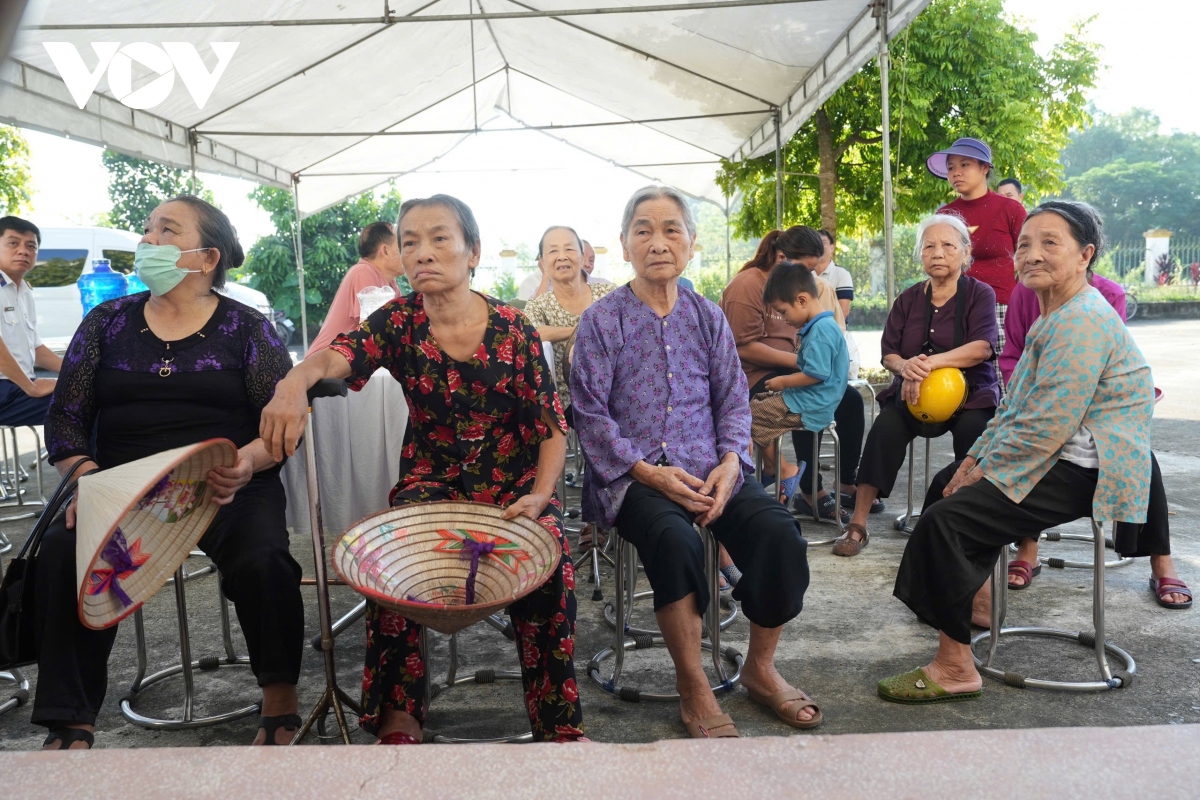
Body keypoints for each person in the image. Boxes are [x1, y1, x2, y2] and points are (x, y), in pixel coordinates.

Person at [260, 194, 585, 745]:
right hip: (430, 487)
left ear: (473, 251)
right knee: (395, 558)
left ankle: (557, 724)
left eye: (439, 238)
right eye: (409, 242)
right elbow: (333, 356)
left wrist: (540, 496)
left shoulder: (514, 328)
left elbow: (552, 427)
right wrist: (293, 383)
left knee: (550, 560)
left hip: (514, 489)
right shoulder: (397, 323)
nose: (422, 253)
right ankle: (399, 715)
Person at [38, 195, 305, 749]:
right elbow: (65, 417)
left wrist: (246, 462)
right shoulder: (107, 322)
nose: (147, 241)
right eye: (147, 229)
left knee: (265, 559)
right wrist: (88, 478)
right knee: (64, 554)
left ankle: (279, 697)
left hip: (225, 484)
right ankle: (71, 720)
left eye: (166, 230)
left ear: (205, 258)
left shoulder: (247, 328)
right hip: (122, 485)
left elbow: (281, 432)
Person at [878, 201, 1158, 703]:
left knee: (947, 520)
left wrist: (986, 472)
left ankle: (954, 666)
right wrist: (970, 464)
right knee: (946, 488)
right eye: (1024, 244)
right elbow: (1013, 412)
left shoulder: (1082, 321)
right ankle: (976, 604)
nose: (1032, 254)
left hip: (1087, 470)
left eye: (1050, 243)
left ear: (1084, 255)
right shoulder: (1054, 316)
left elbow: (1046, 428)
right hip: (1058, 456)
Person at [572, 185, 819, 738]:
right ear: (623, 244)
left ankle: (759, 668)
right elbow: (588, 413)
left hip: (711, 471)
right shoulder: (601, 321)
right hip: (634, 478)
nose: (658, 242)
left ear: (691, 243)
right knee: (675, 541)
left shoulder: (708, 317)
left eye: (671, 229)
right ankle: (694, 684)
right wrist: (646, 471)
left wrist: (732, 462)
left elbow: (733, 399)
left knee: (779, 532)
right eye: (643, 230)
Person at [994, 256, 1187, 607]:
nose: (1039, 255)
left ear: (1084, 254)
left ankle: (1161, 561)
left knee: (1137, 453)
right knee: (1029, 447)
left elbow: (1114, 359)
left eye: (1054, 243)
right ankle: (1028, 546)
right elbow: (1014, 355)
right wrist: (1028, 399)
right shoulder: (1026, 291)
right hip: (1036, 396)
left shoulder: (1107, 295)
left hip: (1096, 404)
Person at [836, 213, 998, 558]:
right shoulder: (909, 299)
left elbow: (982, 347)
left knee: (976, 433)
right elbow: (889, 354)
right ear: (920, 255)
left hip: (971, 394)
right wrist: (906, 366)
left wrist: (926, 364)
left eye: (948, 246)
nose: (937, 253)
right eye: (929, 246)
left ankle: (961, 524)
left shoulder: (980, 294)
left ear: (966, 253)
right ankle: (859, 524)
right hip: (911, 394)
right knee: (884, 430)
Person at [720, 226, 866, 522]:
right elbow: (743, 347)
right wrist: (798, 363)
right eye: (805, 269)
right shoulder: (747, 285)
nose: (810, 278)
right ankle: (809, 489)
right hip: (751, 374)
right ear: (783, 256)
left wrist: (807, 364)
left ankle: (845, 481)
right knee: (792, 401)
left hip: (794, 369)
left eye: (813, 271)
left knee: (850, 400)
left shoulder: (800, 292)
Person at [927, 138, 1026, 356]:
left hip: (1001, 307)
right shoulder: (944, 216)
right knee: (958, 378)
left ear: (984, 168)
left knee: (1004, 376)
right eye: (951, 167)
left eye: (964, 165)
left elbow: (1028, 257)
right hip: (955, 306)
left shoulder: (1011, 209)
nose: (956, 173)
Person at [750, 263, 849, 454]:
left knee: (749, 414)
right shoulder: (821, 326)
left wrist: (784, 381)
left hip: (812, 405)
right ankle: (776, 469)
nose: (784, 319)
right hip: (807, 399)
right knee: (755, 403)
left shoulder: (821, 330)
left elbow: (817, 374)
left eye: (784, 312)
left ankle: (779, 470)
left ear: (802, 300)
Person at [305, 221, 404, 356]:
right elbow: (375, 332)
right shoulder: (363, 272)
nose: (409, 252)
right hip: (324, 366)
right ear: (385, 251)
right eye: (402, 245)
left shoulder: (392, 284)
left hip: (347, 365)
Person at [0, 216, 62, 425]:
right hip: (7, 389)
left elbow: (35, 349)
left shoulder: (23, 291)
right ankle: (80, 458)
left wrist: (76, 372)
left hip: (17, 386)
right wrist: (31, 387)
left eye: (31, 246)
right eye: (13, 243)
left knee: (93, 392)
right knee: (81, 405)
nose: (23, 251)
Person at [815, 229, 854, 320]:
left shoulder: (842, 274)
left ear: (832, 248)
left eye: (823, 242)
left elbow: (843, 312)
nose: (819, 245)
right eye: (816, 242)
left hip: (834, 330)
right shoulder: (805, 274)